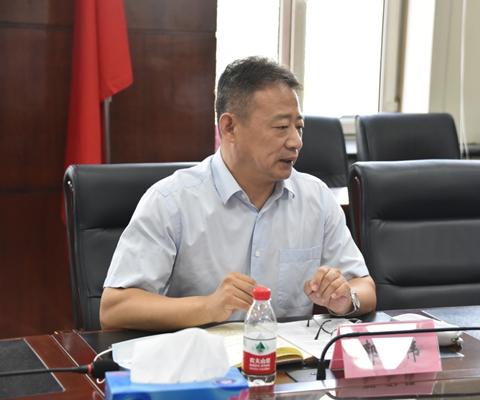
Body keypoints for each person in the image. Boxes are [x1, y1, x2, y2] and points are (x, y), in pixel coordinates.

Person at [100, 56, 376, 331]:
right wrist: (208, 307)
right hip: (203, 355)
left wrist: (345, 299)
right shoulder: (171, 201)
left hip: (286, 356)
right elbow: (115, 308)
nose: (296, 142)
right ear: (229, 127)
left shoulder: (316, 198)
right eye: (281, 127)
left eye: (299, 127)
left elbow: (364, 287)